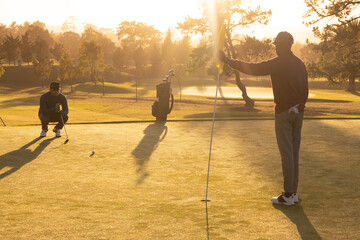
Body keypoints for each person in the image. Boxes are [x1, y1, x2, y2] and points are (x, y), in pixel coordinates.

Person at [218, 31, 308, 206]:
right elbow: (305, 90)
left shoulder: (279, 62)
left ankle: (288, 194)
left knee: (286, 154)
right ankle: (294, 193)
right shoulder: (300, 63)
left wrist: (228, 61)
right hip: (299, 112)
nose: (275, 48)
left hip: (284, 112)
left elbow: (255, 69)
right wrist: (301, 106)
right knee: (294, 153)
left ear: (282, 46)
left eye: (277, 45)